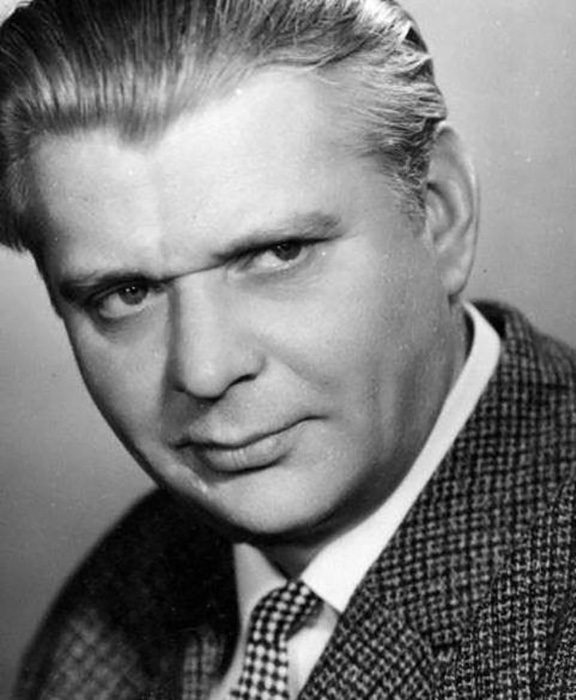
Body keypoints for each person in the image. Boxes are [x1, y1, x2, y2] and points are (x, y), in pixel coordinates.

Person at [2, 0, 576, 697]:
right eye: (126, 294)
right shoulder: (107, 617)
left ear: (440, 214)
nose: (204, 370)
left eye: (279, 253)